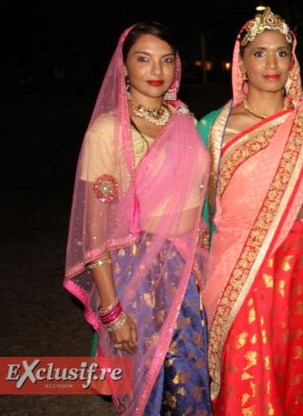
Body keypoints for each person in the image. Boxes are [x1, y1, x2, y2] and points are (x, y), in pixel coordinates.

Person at [64, 22, 212, 415]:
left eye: (166, 60)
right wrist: (112, 313)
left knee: (190, 383)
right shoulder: (108, 130)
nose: (156, 70)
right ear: (124, 67)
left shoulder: (183, 119)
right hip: (140, 273)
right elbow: (94, 232)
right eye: (143, 59)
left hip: (189, 269)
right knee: (150, 386)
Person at [197, 8, 303, 415]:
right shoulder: (213, 128)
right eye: (259, 53)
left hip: (295, 264)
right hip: (234, 265)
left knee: (290, 363)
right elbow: (199, 210)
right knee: (245, 363)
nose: (271, 64)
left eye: (281, 53)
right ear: (241, 62)